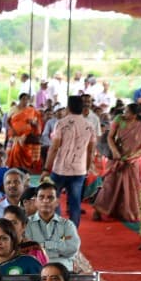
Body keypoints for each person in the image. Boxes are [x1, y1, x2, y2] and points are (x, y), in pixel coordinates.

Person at [43, 95, 97, 228]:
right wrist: (87, 168)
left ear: (68, 107)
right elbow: (91, 151)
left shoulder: (61, 123)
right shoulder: (89, 126)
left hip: (60, 169)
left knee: (53, 200)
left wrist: (46, 169)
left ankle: (56, 230)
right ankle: (72, 235)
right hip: (79, 170)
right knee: (75, 203)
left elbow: (54, 147)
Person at [92, 110, 141, 223]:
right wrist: (116, 152)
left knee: (130, 188)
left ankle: (125, 212)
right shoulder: (119, 120)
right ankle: (99, 210)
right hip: (116, 159)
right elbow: (110, 137)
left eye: (129, 112)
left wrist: (134, 156)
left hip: (132, 162)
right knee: (110, 186)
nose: (126, 114)